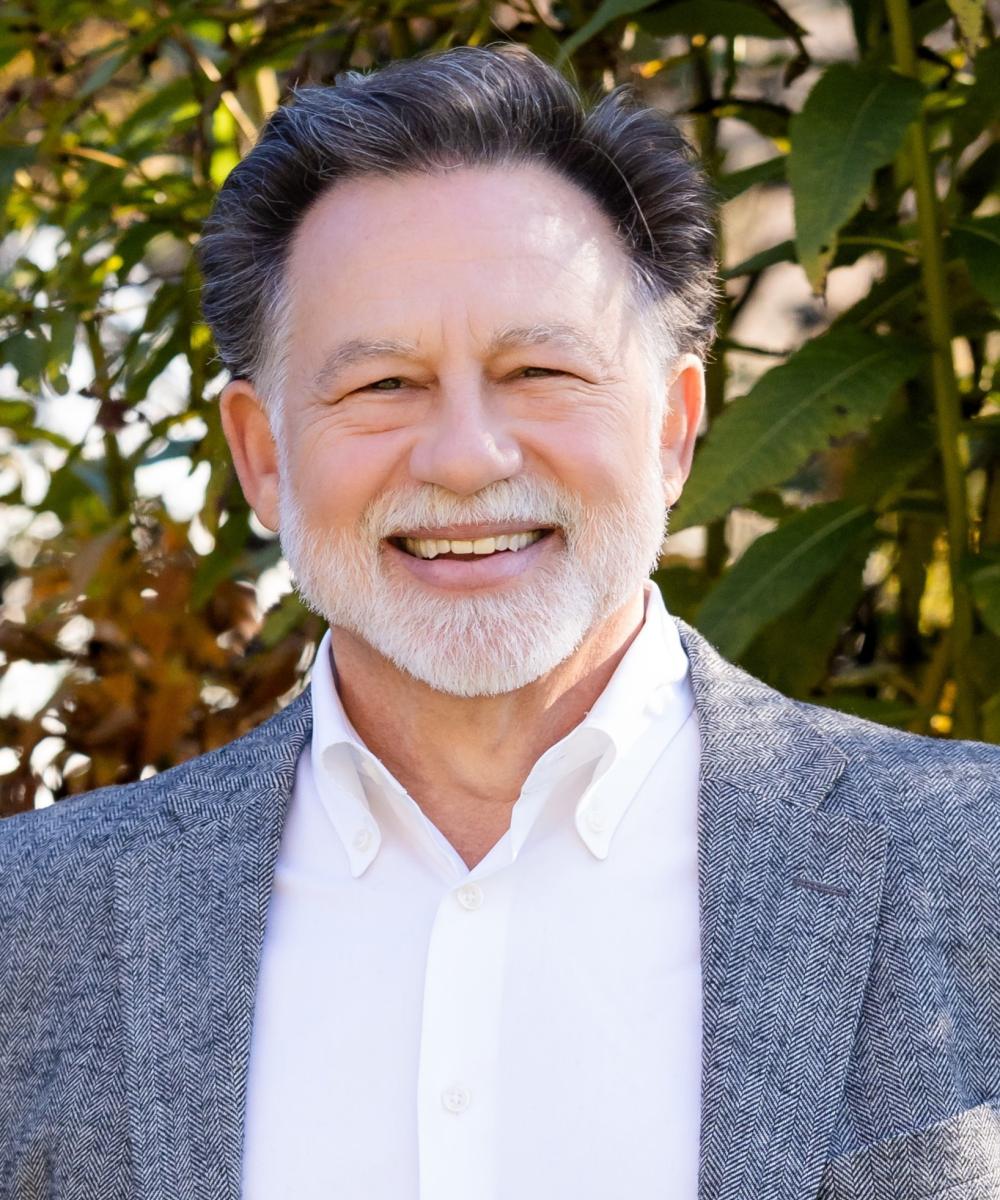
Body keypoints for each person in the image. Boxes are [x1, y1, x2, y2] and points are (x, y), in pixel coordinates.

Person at [2, 42, 999, 1200]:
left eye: (539, 372)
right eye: (382, 385)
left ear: (674, 428)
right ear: (263, 456)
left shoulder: (971, 865)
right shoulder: (34, 927)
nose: (467, 457)